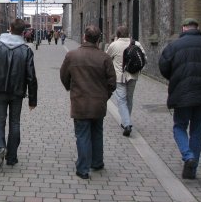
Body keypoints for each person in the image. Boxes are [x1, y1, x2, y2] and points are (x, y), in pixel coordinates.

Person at [159, 18, 201, 180]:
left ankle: (188, 156)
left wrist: (174, 78)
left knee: (179, 127)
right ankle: (192, 169)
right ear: (198, 28)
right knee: (197, 132)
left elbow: (163, 66)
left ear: (183, 28)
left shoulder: (174, 46)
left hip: (182, 94)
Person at [60, 25, 116, 179]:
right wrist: (105, 96)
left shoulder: (72, 55)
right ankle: (97, 162)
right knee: (97, 133)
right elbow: (112, 82)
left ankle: (83, 169)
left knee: (83, 135)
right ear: (98, 40)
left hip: (80, 103)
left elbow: (64, 76)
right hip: (98, 104)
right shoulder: (104, 57)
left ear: (84, 37)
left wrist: (70, 88)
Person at [0, 18, 38, 170]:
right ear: (23, 32)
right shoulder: (26, 50)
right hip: (17, 93)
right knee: (15, 123)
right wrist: (32, 100)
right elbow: (31, 77)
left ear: (10, 29)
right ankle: (11, 157)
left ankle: (0, 147)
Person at [106, 25, 146, 137]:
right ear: (129, 34)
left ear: (117, 34)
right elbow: (144, 58)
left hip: (119, 77)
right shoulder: (136, 44)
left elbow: (106, 58)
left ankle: (127, 123)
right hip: (133, 76)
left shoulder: (114, 45)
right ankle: (126, 121)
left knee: (121, 100)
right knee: (129, 98)